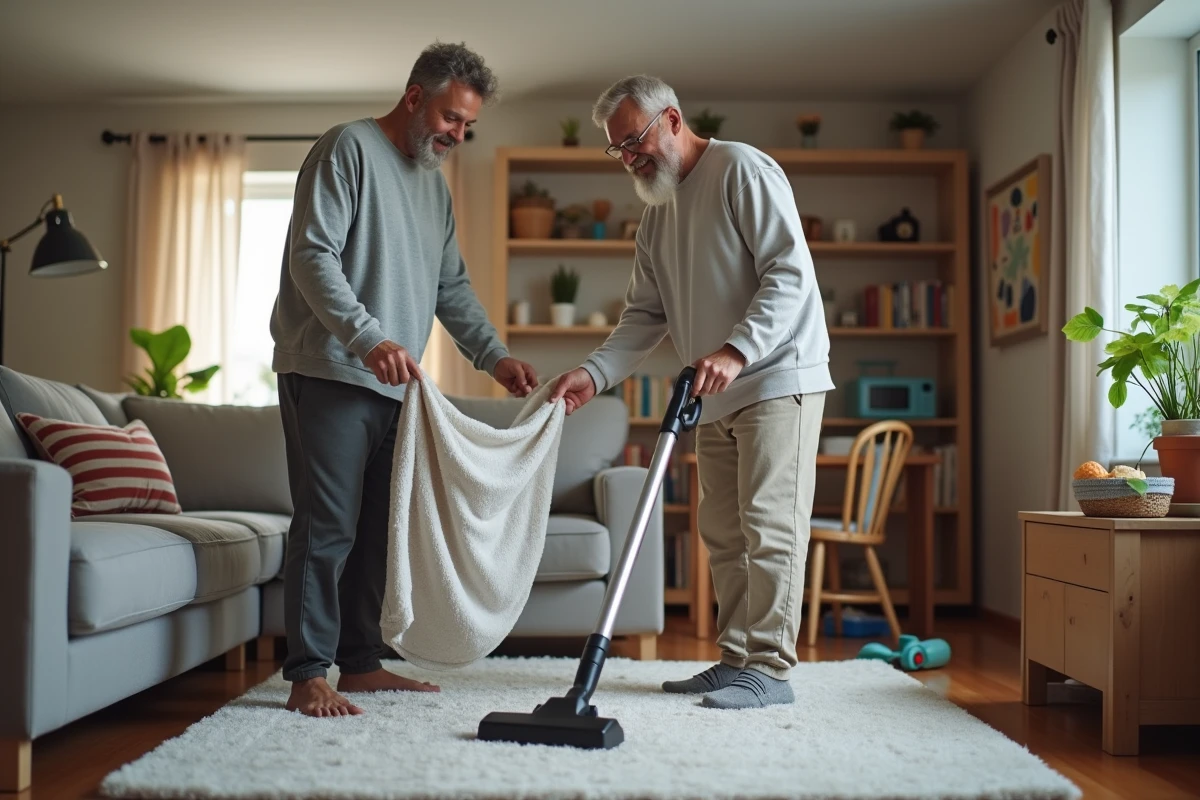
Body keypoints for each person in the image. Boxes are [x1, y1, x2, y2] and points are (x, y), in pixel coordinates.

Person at [269, 42, 539, 718]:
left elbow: (452, 287)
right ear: (415, 97)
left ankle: (359, 665)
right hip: (330, 370)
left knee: (376, 532)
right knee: (326, 526)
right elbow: (312, 255)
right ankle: (307, 673)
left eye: (467, 126)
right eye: (451, 118)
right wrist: (368, 336)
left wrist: (495, 357)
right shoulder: (347, 149)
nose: (457, 135)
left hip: (397, 388)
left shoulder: (432, 186)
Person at [549, 75, 834, 710]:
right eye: (618, 149)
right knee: (723, 531)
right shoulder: (657, 213)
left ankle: (770, 667)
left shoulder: (741, 170)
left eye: (635, 140)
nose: (629, 158)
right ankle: (737, 659)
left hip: (775, 373)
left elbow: (790, 272)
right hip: (714, 389)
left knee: (770, 524)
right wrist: (592, 374)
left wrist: (738, 350)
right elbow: (643, 316)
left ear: (672, 119)